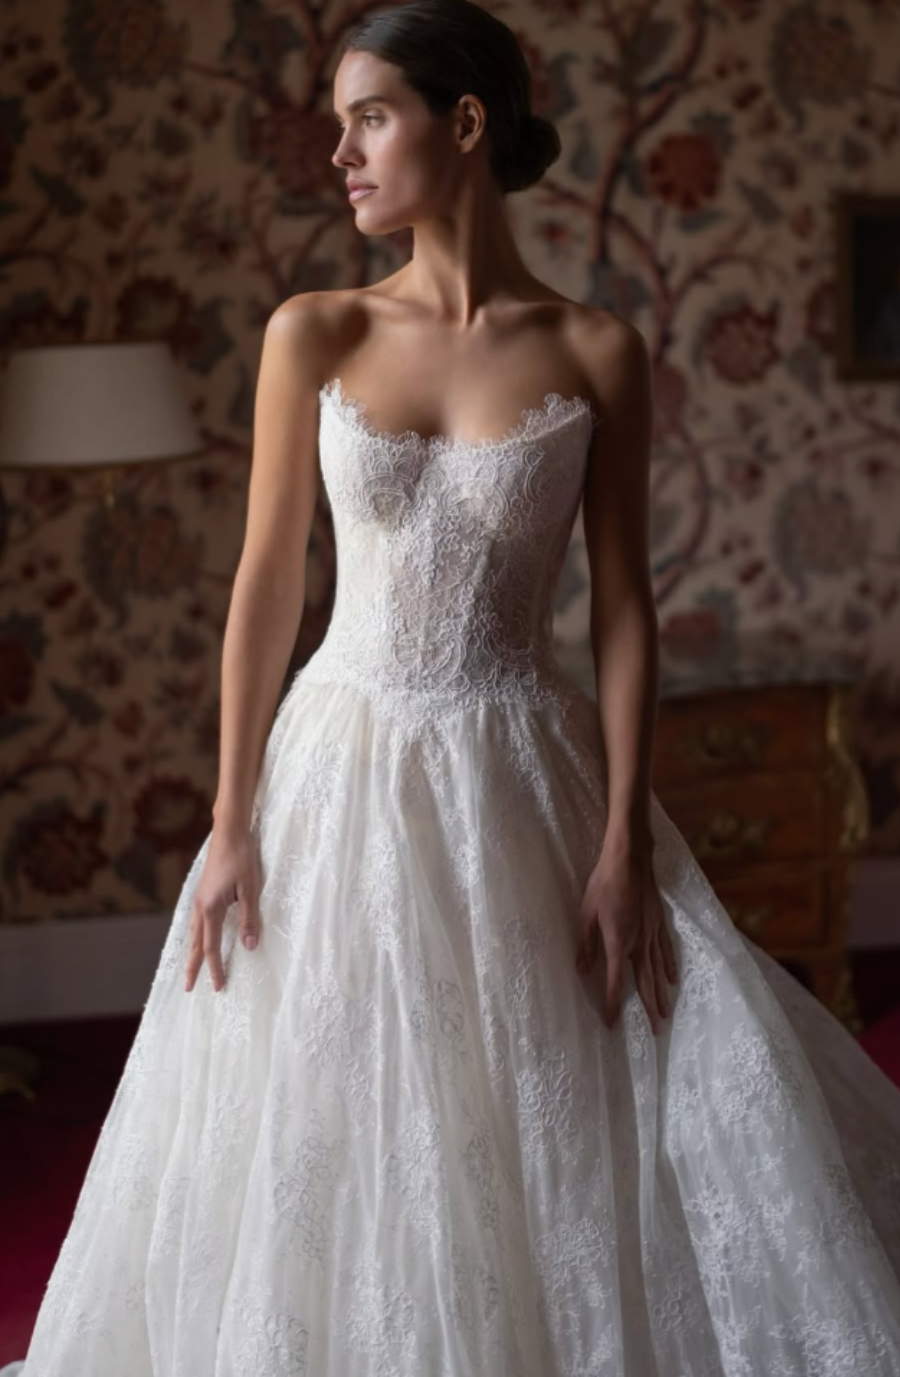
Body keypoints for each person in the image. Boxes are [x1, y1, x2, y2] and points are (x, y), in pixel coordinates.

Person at [11, 1, 900, 1373]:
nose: (342, 157)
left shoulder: (595, 351)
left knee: (550, 1092)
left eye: (370, 117)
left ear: (463, 123)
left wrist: (619, 844)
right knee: (334, 1098)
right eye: (339, 127)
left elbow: (622, 609)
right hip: (339, 755)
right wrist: (233, 820)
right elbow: (263, 587)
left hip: (522, 765)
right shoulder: (310, 331)